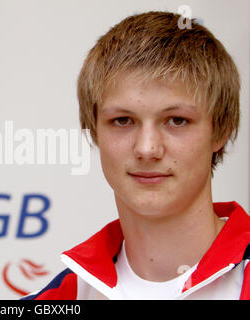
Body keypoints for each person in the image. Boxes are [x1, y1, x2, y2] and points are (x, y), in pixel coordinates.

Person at [23, 11, 250, 300]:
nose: (147, 149)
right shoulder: (55, 300)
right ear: (94, 130)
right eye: (122, 121)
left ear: (220, 131)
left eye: (176, 120)